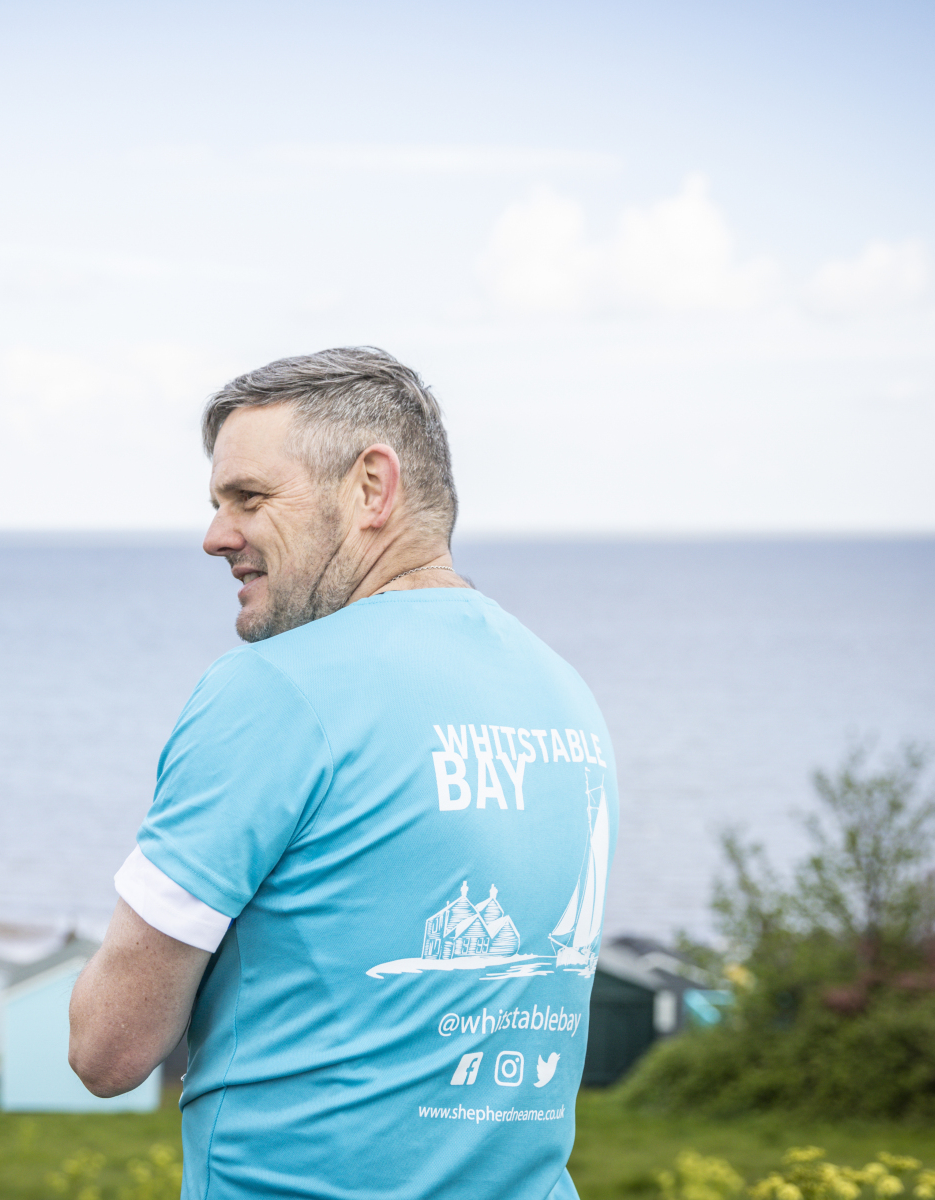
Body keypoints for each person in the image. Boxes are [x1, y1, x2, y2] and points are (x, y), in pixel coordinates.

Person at [68, 348, 619, 1200]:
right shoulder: (564, 695)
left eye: (249, 498)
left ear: (371, 488)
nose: (216, 536)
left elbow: (107, 1048)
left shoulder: (270, 691)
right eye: (216, 504)